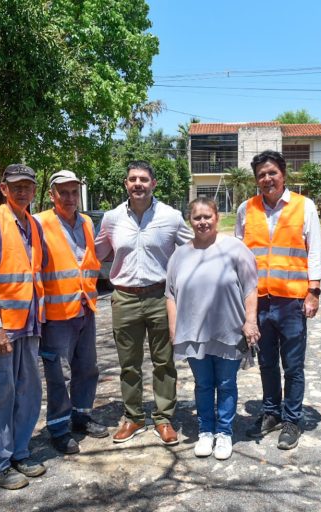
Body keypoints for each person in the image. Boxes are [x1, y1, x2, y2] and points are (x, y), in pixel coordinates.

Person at [94, 160, 192, 446]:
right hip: (124, 298)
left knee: (164, 362)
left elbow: (192, 249)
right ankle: (134, 417)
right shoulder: (111, 218)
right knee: (129, 364)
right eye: (133, 179)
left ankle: (163, 418)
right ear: (126, 184)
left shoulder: (171, 216)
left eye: (143, 179)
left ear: (153, 184)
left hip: (161, 297)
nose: (138, 184)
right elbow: (95, 253)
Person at [235, 150, 321, 450]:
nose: (267, 178)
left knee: (293, 365)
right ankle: (271, 412)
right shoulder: (246, 209)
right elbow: (238, 254)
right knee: (266, 362)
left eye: (272, 172)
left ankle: (292, 419)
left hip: (291, 301)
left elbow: (314, 251)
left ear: (283, 174)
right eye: (261, 174)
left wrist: (313, 291)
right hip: (258, 300)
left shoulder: (304, 206)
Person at [0, 163, 48, 490]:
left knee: (27, 394)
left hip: (28, 327)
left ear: (34, 189)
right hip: (0, 332)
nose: (22, 191)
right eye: (15, 185)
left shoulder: (33, 224)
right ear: (3, 188)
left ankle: (19, 452)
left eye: (27, 185)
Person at [166, 198, 260, 460]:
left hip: (228, 330)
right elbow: (170, 295)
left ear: (217, 217)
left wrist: (250, 321)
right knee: (203, 384)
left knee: (227, 383)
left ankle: (224, 432)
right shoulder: (179, 255)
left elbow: (251, 288)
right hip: (193, 332)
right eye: (197, 217)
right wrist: (174, 329)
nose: (202, 222)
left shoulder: (235, 249)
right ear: (190, 220)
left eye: (207, 216)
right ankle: (206, 430)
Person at [35, 170, 109, 455]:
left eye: (73, 192)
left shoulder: (87, 222)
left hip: (84, 307)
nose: (69, 198)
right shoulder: (40, 223)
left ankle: (81, 415)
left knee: (87, 368)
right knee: (59, 374)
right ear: (52, 195)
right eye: (63, 193)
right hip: (56, 315)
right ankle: (58, 427)